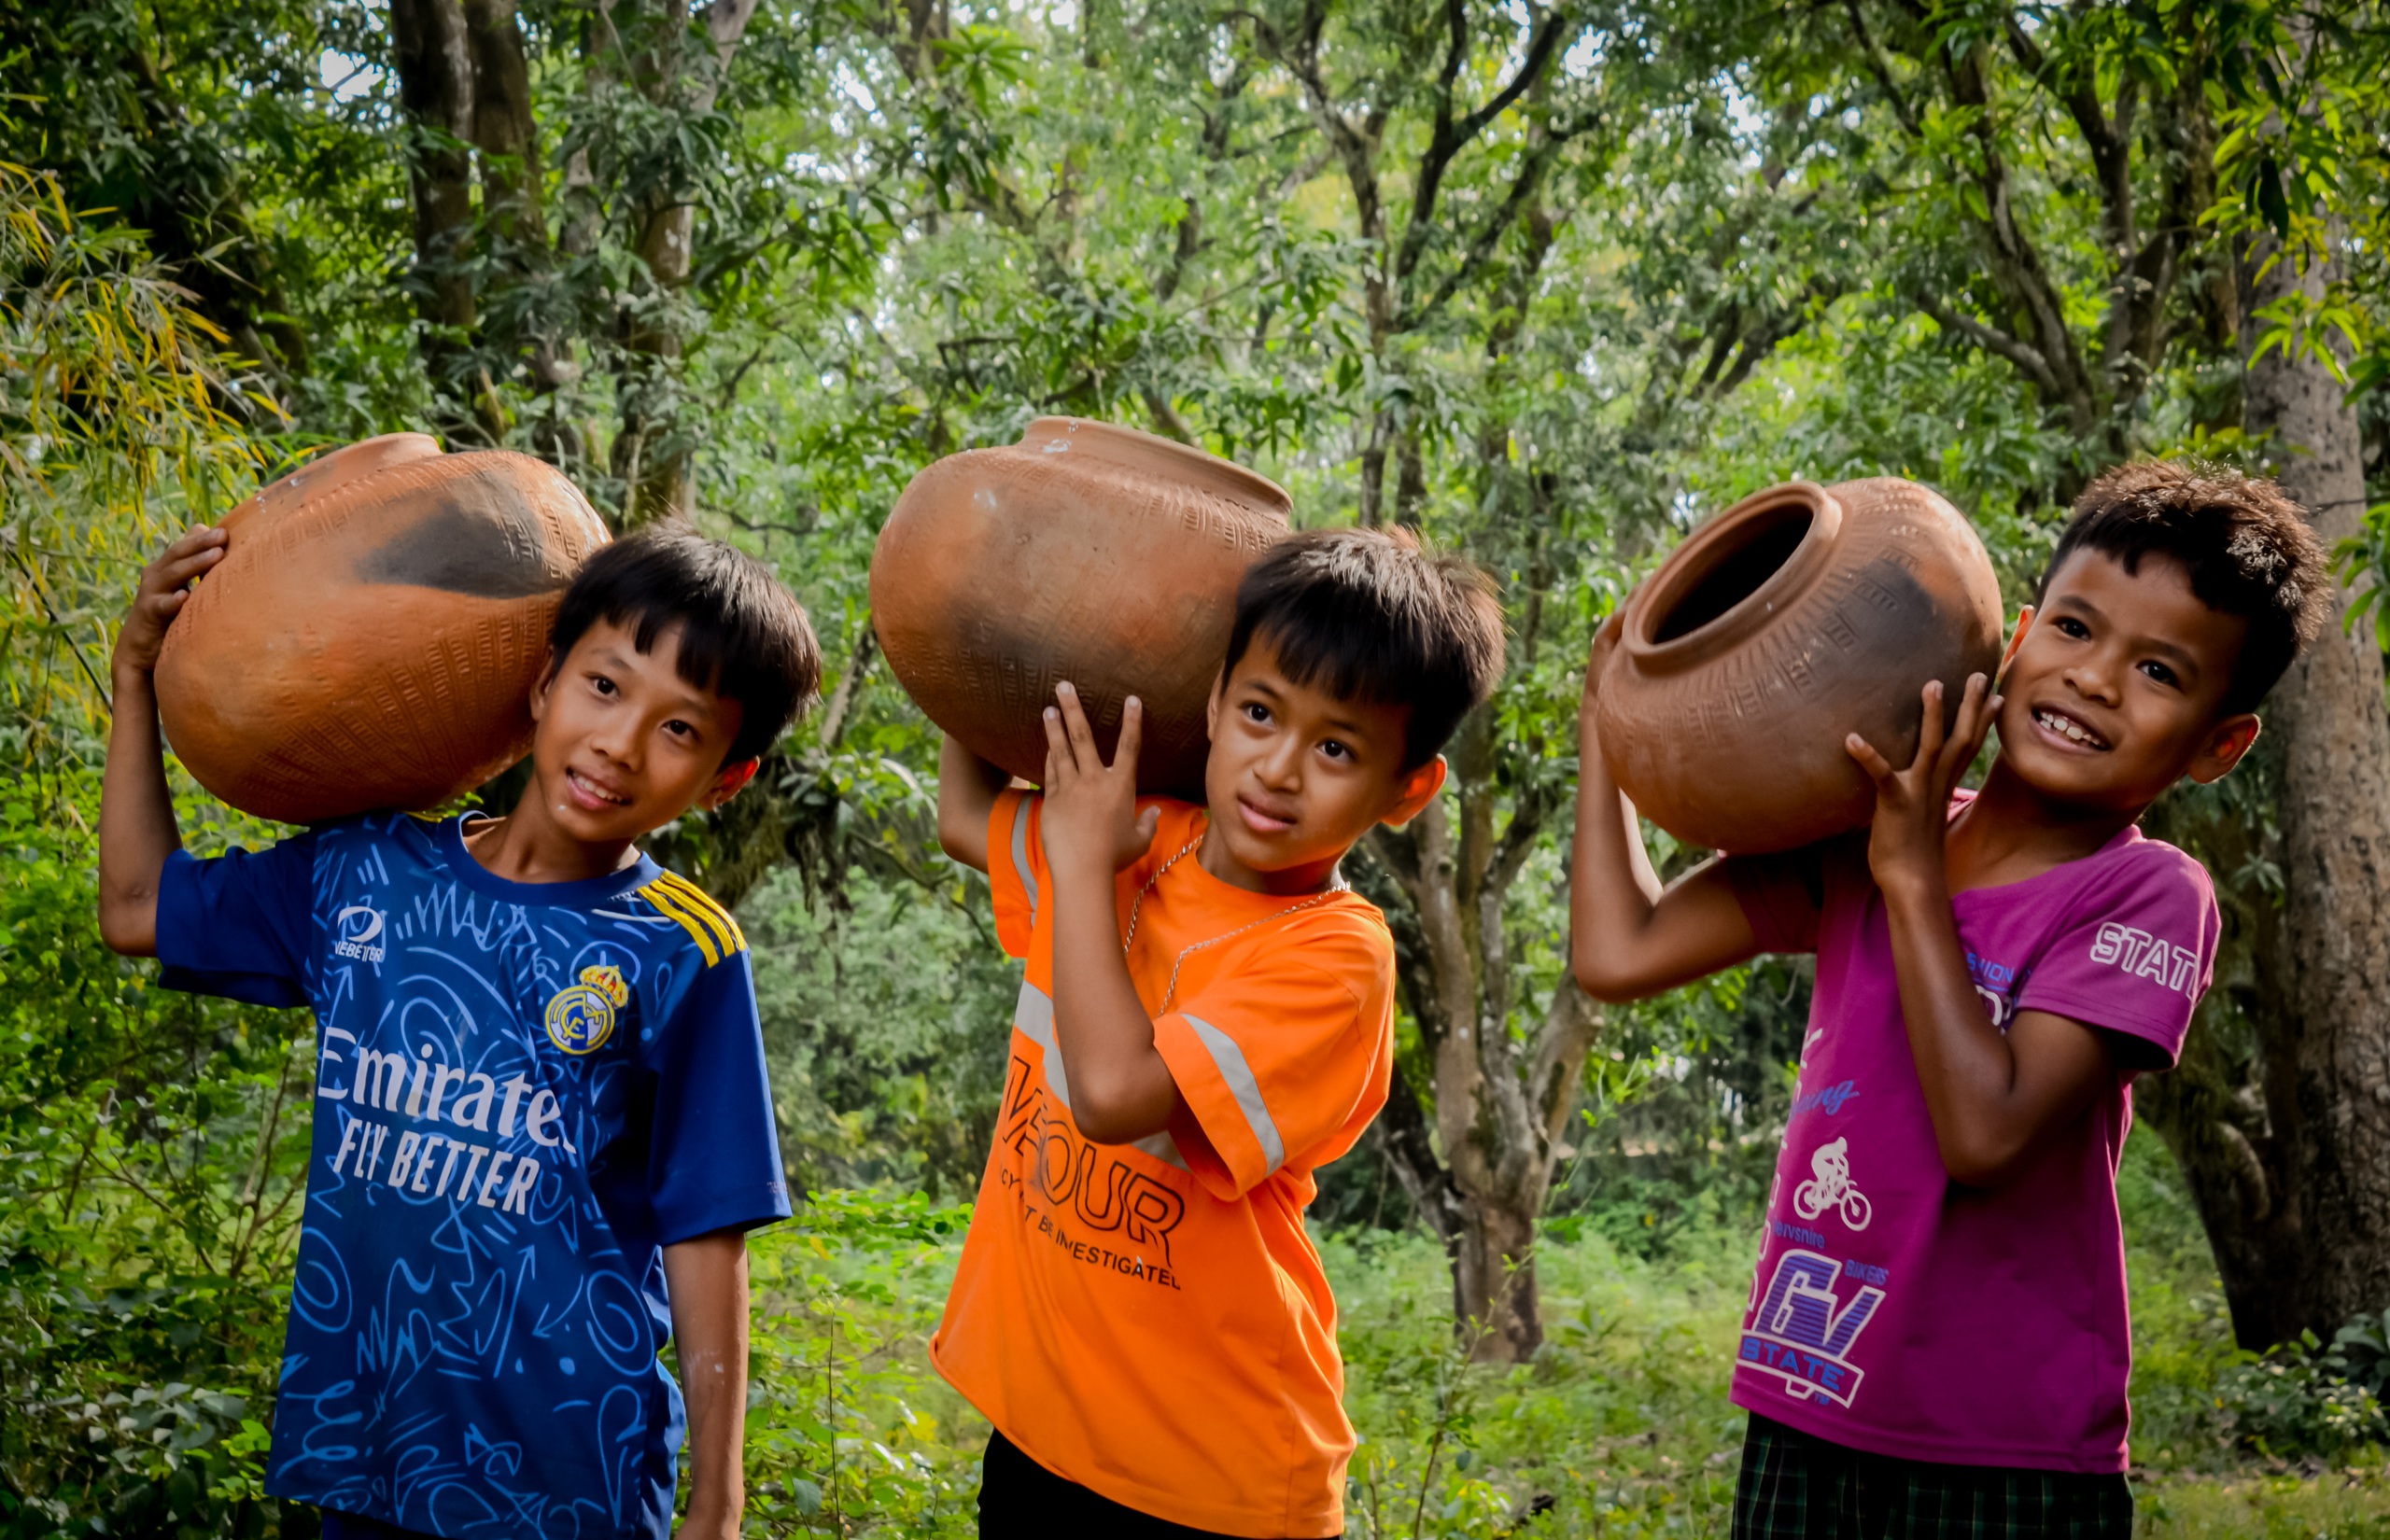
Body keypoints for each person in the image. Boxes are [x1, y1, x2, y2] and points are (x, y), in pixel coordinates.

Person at [1569, 461, 2330, 1537]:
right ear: (2016, 635)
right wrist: (1611, 717)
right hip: (1806, 1402)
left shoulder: (2148, 894)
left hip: (2004, 1452)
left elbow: (1985, 1131)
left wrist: (1914, 876)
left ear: (2218, 744)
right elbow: (1618, 948)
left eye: (2158, 670)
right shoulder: (1860, 832)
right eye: (2073, 629)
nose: (2095, 680)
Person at [97, 524, 822, 1540]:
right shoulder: (363, 873)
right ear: (542, 686)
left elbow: (707, 1238)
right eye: (605, 688)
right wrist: (136, 675)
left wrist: (720, 1504)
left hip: (571, 1484)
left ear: (724, 780)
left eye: (680, 729)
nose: (618, 743)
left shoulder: (683, 952)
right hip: (360, 1458)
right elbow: (135, 907)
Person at [930, 527, 1505, 1538]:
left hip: (1211, 1484)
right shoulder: (1139, 832)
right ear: (1212, 703)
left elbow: (1111, 1095)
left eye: (1335, 747)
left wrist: (1075, 857)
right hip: (1039, 1438)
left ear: (1407, 789)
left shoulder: (1334, 956)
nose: (1278, 768)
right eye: (1258, 713)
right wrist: (999, 601)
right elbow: (964, 810)